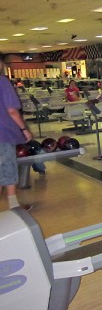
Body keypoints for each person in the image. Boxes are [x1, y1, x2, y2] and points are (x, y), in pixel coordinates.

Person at [0, 53, 34, 211]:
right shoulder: (2, 82)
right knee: (8, 167)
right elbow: (12, 111)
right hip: (3, 133)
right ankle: (14, 206)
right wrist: (24, 129)